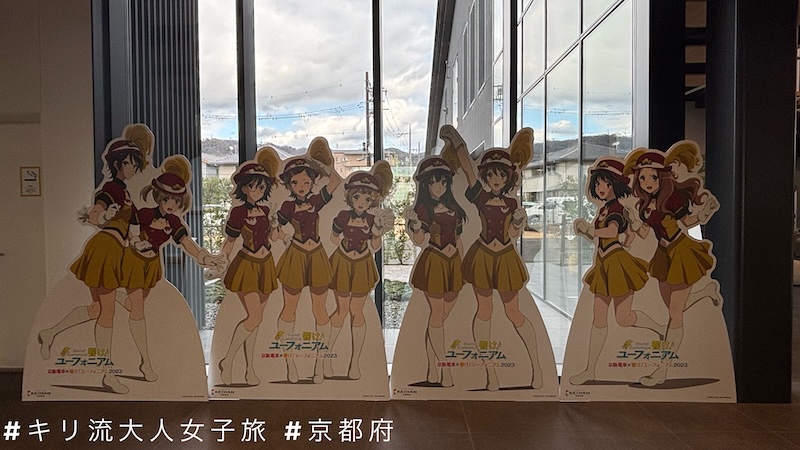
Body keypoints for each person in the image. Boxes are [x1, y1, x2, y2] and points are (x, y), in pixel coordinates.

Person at [38, 124, 153, 394]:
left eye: (134, 164)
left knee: (97, 310)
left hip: (116, 250)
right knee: (107, 312)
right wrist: (103, 216)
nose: (131, 168)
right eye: (127, 163)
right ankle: (107, 374)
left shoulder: (126, 194)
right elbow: (94, 214)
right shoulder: (111, 188)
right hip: (104, 248)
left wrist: (139, 241)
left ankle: (50, 333)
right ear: (117, 164)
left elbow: (134, 228)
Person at [442, 124, 543, 391]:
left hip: (506, 256)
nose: (496, 179)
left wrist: (518, 223)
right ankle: (490, 374)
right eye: (491, 174)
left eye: (500, 174)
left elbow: (513, 234)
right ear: (486, 176)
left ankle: (537, 367)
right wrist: (456, 140)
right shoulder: (480, 195)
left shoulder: (512, 203)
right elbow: (467, 169)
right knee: (484, 310)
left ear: (508, 177)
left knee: (514, 312)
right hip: (483, 256)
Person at [119, 155, 224, 383]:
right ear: (158, 196)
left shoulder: (174, 222)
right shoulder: (145, 214)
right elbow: (130, 233)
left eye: (176, 201)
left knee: (133, 305)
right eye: (167, 199)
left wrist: (206, 258)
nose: (171, 204)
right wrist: (137, 241)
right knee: (138, 310)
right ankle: (145, 362)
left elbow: (186, 243)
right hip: (134, 261)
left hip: (152, 265)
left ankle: (115, 299)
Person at [624, 142, 720, 386]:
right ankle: (706, 292)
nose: (647, 182)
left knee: (675, 314)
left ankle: (661, 372)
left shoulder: (672, 200)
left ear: (662, 177)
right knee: (673, 310)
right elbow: (644, 233)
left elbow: (686, 222)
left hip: (681, 252)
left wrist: (705, 212)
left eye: (652, 177)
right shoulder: (645, 205)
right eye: (642, 177)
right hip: (663, 255)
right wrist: (631, 221)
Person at [569, 157, 663, 385]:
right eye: (598, 183)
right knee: (599, 315)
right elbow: (613, 236)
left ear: (616, 184)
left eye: (607, 183)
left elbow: (612, 231)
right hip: (604, 263)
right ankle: (590, 370)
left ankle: (660, 328)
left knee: (624, 318)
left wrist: (588, 229)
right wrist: (586, 231)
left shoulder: (616, 208)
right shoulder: (603, 209)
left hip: (617, 264)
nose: (601, 187)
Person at [275, 137, 341, 383]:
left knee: (320, 309)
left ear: (312, 182)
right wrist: (281, 234)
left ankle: (319, 365)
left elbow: (336, 182)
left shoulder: (316, 201)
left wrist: (322, 166)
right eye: (295, 182)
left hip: (317, 256)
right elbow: (274, 231)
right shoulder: (286, 206)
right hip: (295, 255)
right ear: (289, 185)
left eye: (306, 181)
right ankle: (289, 364)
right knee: (289, 309)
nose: (301, 186)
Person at [214, 147, 281, 386]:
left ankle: (249, 369)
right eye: (253, 186)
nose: (257, 191)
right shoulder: (238, 212)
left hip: (266, 264)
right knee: (254, 317)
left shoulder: (266, 209)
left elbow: (273, 238)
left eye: (261, 187)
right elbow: (230, 241)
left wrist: (275, 224)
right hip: (247, 264)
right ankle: (228, 360)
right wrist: (220, 261)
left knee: (257, 320)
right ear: (244, 188)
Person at [325, 161, 394, 380]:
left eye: (367, 199)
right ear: (350, 197)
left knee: (357, 311)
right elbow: (333, 237)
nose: (362, 202)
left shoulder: (374, 219)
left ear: (373, 200)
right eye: (357, 197)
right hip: (343, 262)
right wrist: (344, 245)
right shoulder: (342, 216)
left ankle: (354, 363)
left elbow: (375, 246)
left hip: (363, 263)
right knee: (341, 310)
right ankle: (325, 358)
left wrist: (378, 232)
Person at [404, 156, 466, 387]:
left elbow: (458, 239)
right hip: (434, 261)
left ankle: (431, 365)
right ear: (425, 186)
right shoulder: (421, 209)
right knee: (438, 316)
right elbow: (419, 240)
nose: (438, 187)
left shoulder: (455, 208)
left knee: (438, 319)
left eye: (442, 182)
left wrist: (462, 266)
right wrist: (416, 226)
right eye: (432, 182)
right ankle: (444, 369)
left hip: (454, 263)